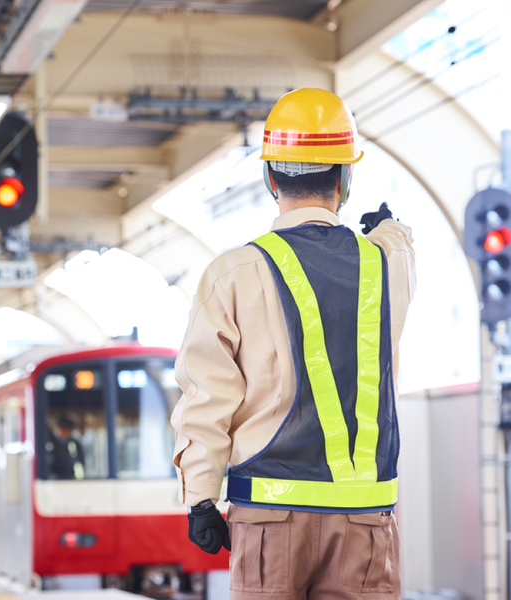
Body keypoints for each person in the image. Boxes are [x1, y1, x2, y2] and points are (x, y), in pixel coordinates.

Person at [170, 88, 416, 599]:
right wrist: (389, 226)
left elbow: (207, 397)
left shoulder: (232, 274)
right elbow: (398, 241)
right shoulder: (387, 264)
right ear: (346, 179)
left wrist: (200, 498)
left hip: (269, 519)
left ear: (269, 177)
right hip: (367, 519)